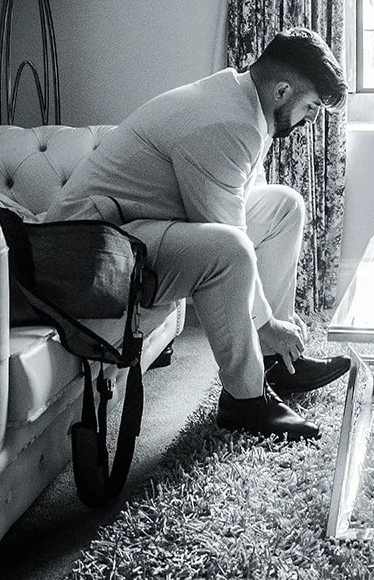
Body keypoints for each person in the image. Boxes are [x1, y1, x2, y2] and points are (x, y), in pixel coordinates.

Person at [43, 27, 351, 440]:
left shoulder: (244, 101)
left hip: (142, 224)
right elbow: (229, 236)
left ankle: (276, 362)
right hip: (94, 244)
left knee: (284, 207)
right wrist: (266, 322)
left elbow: (243, 200)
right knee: (229, 249)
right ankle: (245, 400)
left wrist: (270, 321)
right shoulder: (226, 122)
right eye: (311, 106)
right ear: (282, 91)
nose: (311, 119)